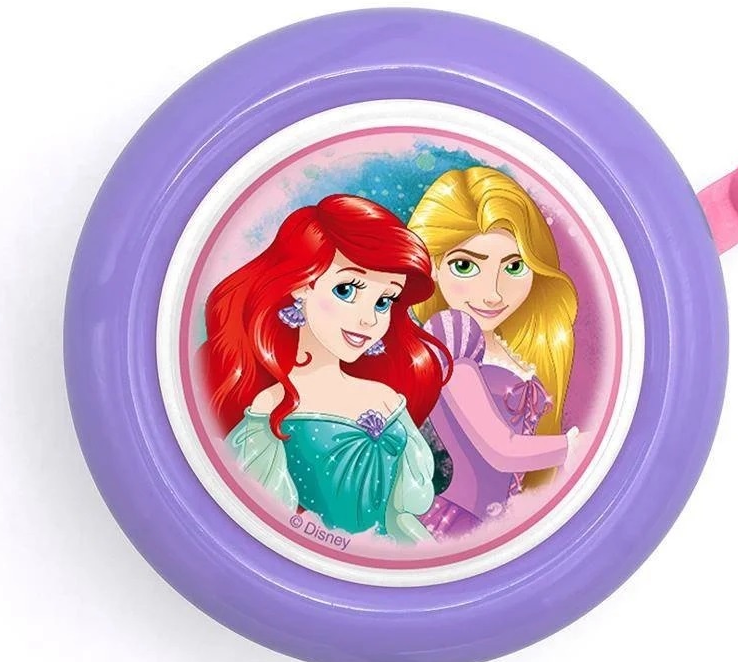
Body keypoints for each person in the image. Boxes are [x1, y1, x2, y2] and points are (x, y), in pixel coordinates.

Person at [199, 195, 450, 542]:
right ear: (302, 286)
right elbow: (260, 519)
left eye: (383, 301)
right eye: (346, 290)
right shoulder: (273, 405)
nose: (368, 318)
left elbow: (406, 511)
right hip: (310, 553)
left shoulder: (388, 399)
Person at [408, 167, 580, 538]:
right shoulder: (451, 344)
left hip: (502, 519)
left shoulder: (513, 346)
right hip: (457, 520)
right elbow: (501, 449)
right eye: (465, 266)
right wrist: (572, 447)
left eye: (514, 266)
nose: (493, 293)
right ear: (433, 264)